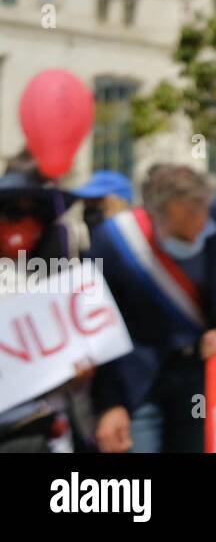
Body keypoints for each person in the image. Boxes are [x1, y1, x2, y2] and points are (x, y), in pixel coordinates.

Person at [91, 164, 216, 453]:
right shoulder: (113, 240)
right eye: (181, 234)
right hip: (139, 383)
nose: (194, 237)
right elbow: (101, 327)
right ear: (152, 217)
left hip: (200, 376)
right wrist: (109, 404)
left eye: (199, 222)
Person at [0, 160, 91, 452]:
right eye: (14, 212)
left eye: (36, 213)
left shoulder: (60, 281)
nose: (26, 223)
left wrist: (82, 370)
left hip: (45, 426)